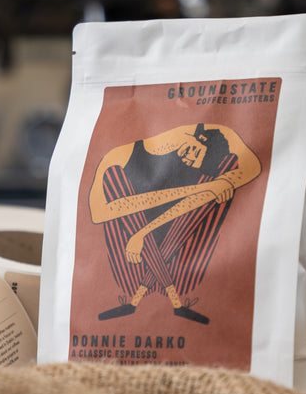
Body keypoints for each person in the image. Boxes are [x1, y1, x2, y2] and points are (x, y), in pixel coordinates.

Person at [88, 123, 261, 324]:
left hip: (165, 234)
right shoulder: (121, 155)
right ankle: (174, 304)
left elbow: (254, 167)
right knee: (120, 187)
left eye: (193, 162)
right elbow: (99, 214)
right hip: (124, 226)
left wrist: (142, 233)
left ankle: (137, 303)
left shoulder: (203, 143)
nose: (188, 159)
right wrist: (204, 188)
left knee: (171, 224)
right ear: (201, 138)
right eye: (196, 153)